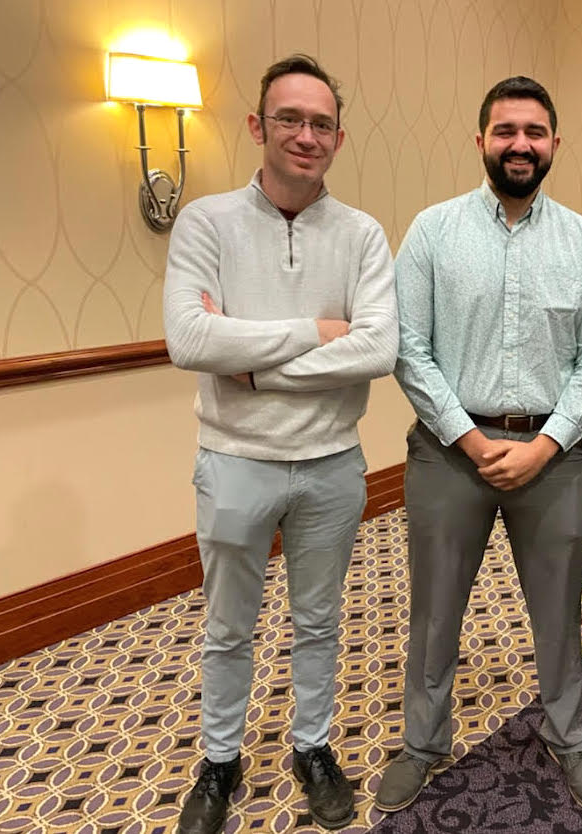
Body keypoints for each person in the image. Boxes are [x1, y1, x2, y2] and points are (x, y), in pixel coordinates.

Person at [163, 54, 398, 834]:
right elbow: (191, 338)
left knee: (320, 620)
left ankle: (313, 747)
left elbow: (377, 352)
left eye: (321, 123)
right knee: (229, 625)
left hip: (332, 464)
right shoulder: (206, 221)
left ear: (339, 136)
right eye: (290, 119)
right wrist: (315, 333)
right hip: (234, 462)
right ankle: (220, 760)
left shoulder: (362, 234)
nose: (306, 134)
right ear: (259, 127)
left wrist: (255, 368)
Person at [374, 76, 582, 815]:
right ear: (480, 139)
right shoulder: (433, 231)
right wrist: (471, 438)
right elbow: (407, 345)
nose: (521, 144)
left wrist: (545, 447)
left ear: (554, 145)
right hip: (450, 455)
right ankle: (423, 742)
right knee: (434, 609)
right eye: (506, 130)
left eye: (535, 132)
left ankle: (568, 733)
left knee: (560, 609)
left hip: (556, 457)